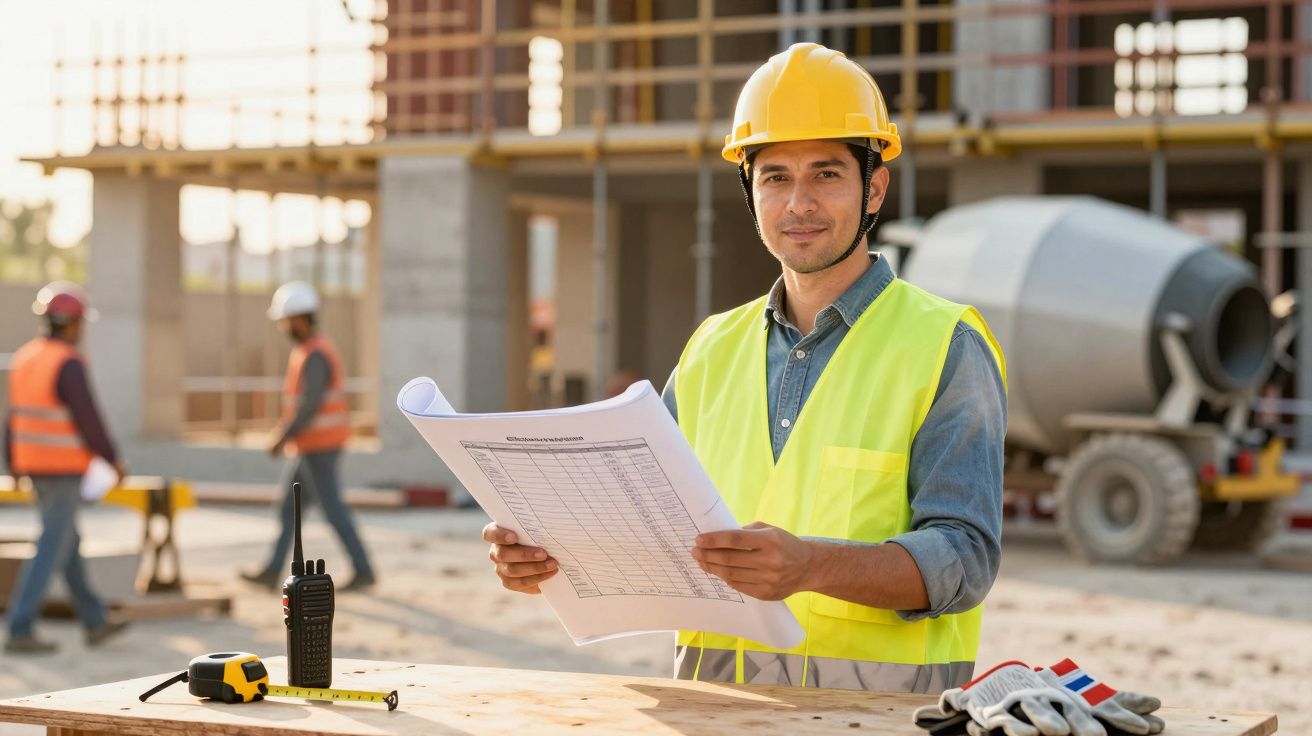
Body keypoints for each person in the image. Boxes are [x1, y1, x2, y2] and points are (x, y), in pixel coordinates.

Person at [483, 43, 1008, 692]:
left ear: (874, 187)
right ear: (750, 190)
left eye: (826, 174)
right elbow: (643, 525)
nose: (798, 204)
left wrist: (812, 565)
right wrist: (547, 553)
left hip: (882, 725)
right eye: (776, 177)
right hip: (713, 717)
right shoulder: (709, 349)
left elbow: (966, 558)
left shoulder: (945, 345)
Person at [4, 282, 130, 654]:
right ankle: (20, 627)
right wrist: (112, 458)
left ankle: (94, 620)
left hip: (33, 465)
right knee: (51, 545)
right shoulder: (67, 362)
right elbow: (88, 417)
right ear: (73, 324)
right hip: (60, 468)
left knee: (67, 542)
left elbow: (11, 417)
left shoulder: (26, 356)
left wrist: (11, 460)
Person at [240, 281, 376, 591]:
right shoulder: (310, 351)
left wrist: (281, 435)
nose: (283, 327)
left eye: (285, 320)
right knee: (289, 509)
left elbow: (308, 405)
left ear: (299, 319)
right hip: (310, 446)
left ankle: (364, 569)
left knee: (332, 509)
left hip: (320, 447)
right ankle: (272, 569)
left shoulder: (315, 354)